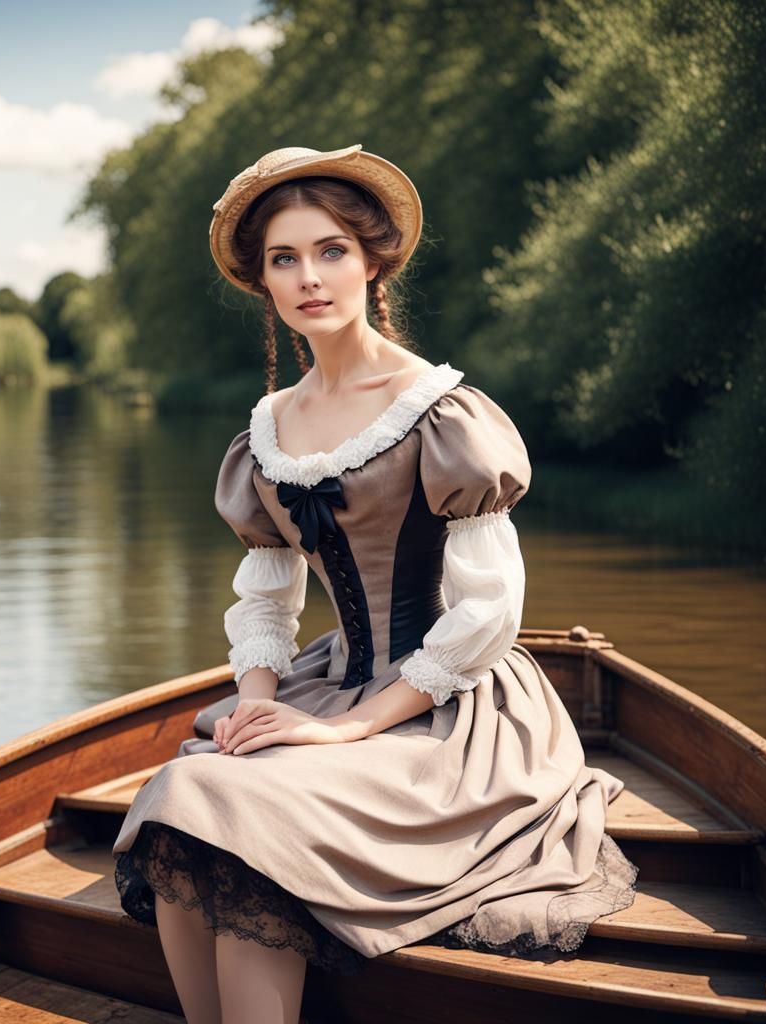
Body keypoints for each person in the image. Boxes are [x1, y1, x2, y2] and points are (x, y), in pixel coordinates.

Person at [112, 144, 639, 1024]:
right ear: (263, 282)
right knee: (186, 792)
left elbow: (488, 614)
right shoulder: (267, 432)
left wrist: (349, 729)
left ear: (371, 260)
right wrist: (254, 699)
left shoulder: (439, 412)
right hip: (331, 684)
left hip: (453, 708)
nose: (309, 277)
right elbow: (267, 599)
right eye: (285, 258)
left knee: (231, 811)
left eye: (330, 252)